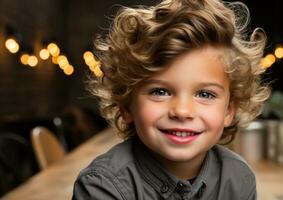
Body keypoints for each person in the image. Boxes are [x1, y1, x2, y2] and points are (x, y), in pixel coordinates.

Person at [73, 0, 270, 199]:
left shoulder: (238, 179)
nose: (182, 111)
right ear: (127, 106)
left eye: (205, 94)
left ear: (229, 111)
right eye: (160, 92)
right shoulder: (100, 186)